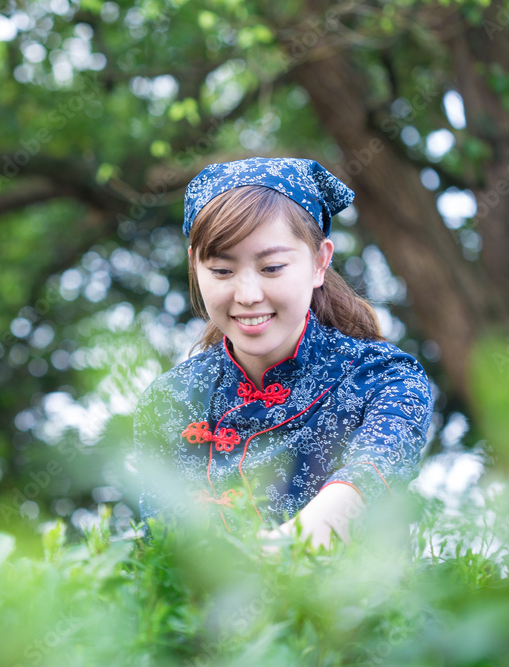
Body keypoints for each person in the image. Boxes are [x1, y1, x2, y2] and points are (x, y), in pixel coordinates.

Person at [134, 157, 433, 549]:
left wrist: (287, 549)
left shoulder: (385, 377)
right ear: (195, 266)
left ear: (319, 262)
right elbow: (157, 550)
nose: (248, 295)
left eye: (272, 267)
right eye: (222, 271)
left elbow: (375, 468)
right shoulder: (168, 401)